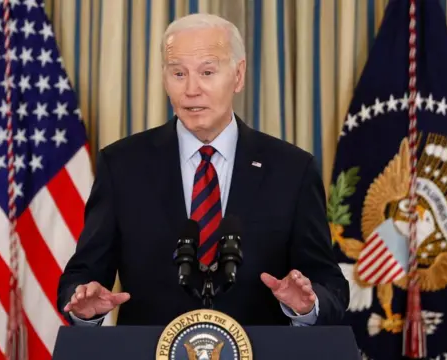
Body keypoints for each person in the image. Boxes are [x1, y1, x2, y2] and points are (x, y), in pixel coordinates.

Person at [57, 13, 349, 327]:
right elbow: (82, 275)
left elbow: (330, 284)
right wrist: (86, 307)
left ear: (238, 76)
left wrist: (306, 304)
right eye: (178, 73)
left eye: (207, 71)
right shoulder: (122, 164)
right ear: (164, 78)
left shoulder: (291, 169)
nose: (192, 89)